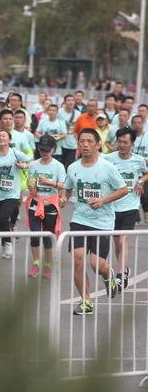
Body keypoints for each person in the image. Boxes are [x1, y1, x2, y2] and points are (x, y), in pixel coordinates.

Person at [59, 128, 128, 315]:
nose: (86, 144)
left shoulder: (107, 167)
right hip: (79, 220)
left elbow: (123, 189)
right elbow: (67, 188)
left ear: (98, 144)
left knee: (97, 265)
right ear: (78, 143)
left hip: (102, 222)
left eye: (90, 141)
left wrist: (103, 200)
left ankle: (109, 276)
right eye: (82, 141)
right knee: (78, 261)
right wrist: (64, 198)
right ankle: (86, 301)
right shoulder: (73, 167)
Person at [104, 127, 148, 291]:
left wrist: (140, 181)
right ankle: (124, 269)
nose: (121, 145)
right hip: (113, 207)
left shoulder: (138, 160)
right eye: (119, 142)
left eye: (125, 142)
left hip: (130, 206)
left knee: (123, 241)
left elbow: (146, 173)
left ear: (132, 144)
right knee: (117, 242)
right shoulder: (108, 159)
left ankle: (121, 275)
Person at [0, 130, 32, 258]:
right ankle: (8, 234)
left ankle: (7, 244)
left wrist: (24, 166)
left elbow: (31, 161)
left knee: (3, 218)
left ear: (9, 140)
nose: (1, 138)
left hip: (13, 192)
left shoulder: (15, 153)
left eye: (4, 136)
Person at [25, 135, 66, 279]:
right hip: (35, 203)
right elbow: (29, 182)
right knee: (35, 235)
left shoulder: (58, 166)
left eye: (47, 150)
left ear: (53, 149)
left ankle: (48, 265)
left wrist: (50, 183)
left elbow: (64, 185)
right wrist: (30, 187)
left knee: (48, 237)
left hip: (50, 205)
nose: (44, 153)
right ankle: (35, 263)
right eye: (42, 150)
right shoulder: (33, 165)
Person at [58, 95, 81, 169]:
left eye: (72, 100)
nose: (71, 102)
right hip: (61, 143)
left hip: (72, 144)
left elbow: (78, 130)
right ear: (65, 102)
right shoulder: (59, 112)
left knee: (70, 165)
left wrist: (78, 144)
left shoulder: (78, 114)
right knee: (60, 165)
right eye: (68, 100)